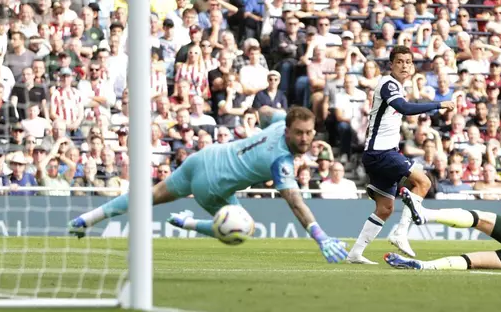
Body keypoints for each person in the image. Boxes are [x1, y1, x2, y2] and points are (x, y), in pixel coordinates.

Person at [68, 106, 348, 264]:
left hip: (204, 156)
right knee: (243, 228)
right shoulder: (281, 162)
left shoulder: (278, 122)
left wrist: (258, 129)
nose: (304, 138)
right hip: (212, 187)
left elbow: (263, 111)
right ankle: (188, 223)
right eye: (299, 133)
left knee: (149, 195)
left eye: (309, 133)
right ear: (288, 130)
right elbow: (296, 204)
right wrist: (320, 236)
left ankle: (86, 219)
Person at [347, 46, 454, 264]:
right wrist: (438, 105)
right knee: (424, 182)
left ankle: (355, 253)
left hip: (381, 153)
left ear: (413, 66)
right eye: (400, 61)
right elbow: (403, 107)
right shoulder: (388, 84)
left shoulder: (397, 86)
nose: (404, 65)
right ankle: (400, 233)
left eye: (408, 62)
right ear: (391, 65)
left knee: (385, 208)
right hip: (381, 152)